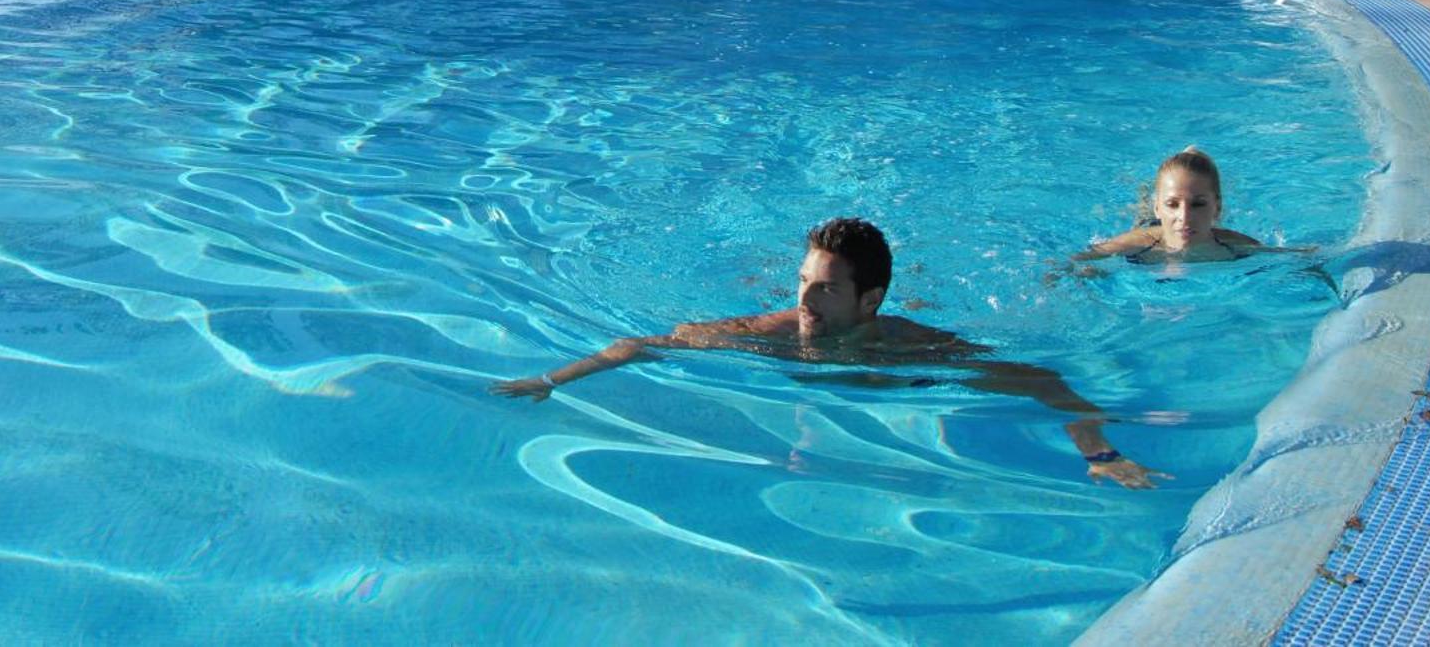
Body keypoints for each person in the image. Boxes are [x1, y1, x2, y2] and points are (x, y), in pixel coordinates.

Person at [491, 217, 1168, 489]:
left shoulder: (915, 350)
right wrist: (554, 378)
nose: (807, 305)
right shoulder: (776, 329)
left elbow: (1044, 381)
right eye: (803, 284)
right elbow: (646, 343)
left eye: (826, 290)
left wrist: (1100, 452)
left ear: (869, 301)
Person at [1073, 148, 1264, 265]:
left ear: (1218, 207)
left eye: (1198, 204)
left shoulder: (1236, 245)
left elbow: (1289, 258)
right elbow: (1073, 261)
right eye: (1173, 205)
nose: (1185, 216)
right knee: (1142, 216)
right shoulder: (1138, 244)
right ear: (1158, 207)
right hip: (1153, 227)